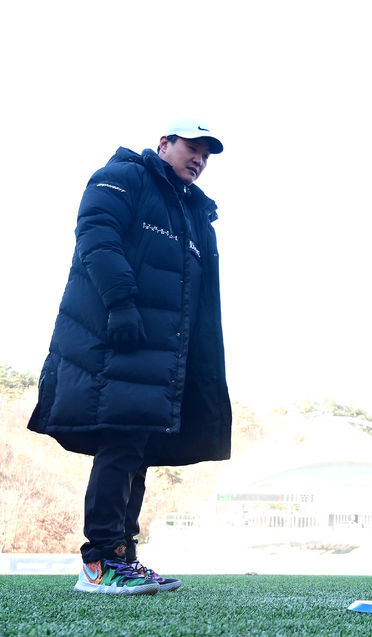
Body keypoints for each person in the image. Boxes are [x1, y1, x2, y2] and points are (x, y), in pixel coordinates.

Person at [28, 119, 232, 595]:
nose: (198, 158)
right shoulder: (125, 176)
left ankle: (124, 557)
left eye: (206, 153)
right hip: (119, 340)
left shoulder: (193, 210)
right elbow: (96, 234)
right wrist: (120, 303)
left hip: (162, 355)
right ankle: (98, 562)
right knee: (119, 445)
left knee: (136, 450)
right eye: (190, 147)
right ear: (164, 143)